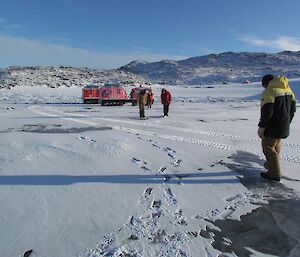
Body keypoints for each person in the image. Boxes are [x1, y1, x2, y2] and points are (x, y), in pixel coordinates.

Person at [258, 74, 296, 181]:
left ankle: (274, 173)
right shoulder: (288, 89)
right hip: (283, 124)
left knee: (268, 147)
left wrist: (262, 126)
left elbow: (267, 111)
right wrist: (287, 122)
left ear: (266, 83)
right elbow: (293, 109)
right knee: (276, 145)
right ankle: (271, 165)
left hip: (272, 126)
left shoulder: (270, 91)